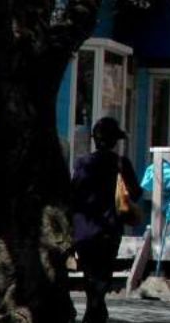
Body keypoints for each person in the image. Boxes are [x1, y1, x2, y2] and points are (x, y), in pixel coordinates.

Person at [70, 117, 142, 323]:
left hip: (83, 230)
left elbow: (73, 194)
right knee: (102, 275)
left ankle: (94, 312)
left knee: (90, 275)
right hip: (109, 229)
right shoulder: (121, 163)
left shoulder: (82, 163)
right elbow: (135, 193)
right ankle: (95, 312)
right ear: (114, 141)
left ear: (95, 140)